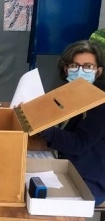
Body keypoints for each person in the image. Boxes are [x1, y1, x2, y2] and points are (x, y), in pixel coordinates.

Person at [40, 40, 105, 206]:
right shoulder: (69, 95)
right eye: (75, 65)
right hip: (65, 165)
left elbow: (79, 143)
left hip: (90, 178)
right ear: (66, 69)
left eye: (88, 66)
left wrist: (45, 129)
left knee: (51, 208)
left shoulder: (100, 103)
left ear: (98, 72)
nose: (81, 71)